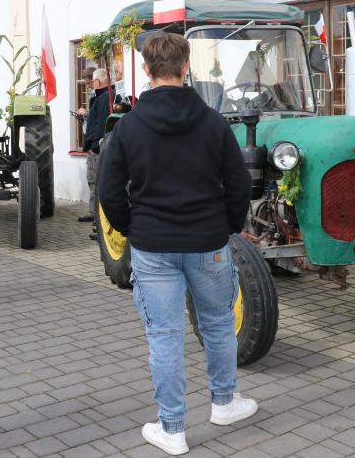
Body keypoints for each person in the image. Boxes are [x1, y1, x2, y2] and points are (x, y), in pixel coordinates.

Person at [98, 33, 255, 456]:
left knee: (164, 336)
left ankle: (172, 429)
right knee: (218, 323)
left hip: (153, 245)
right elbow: (239, 184)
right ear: (186, 68)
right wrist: (226, 226)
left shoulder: (129, 126)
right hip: (208, 241)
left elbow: (109, 191)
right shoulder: (214, 122)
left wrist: (134, 228)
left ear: (146, 70)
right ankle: (224, 403)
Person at [76, 68, 111, 227]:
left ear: (99, 81)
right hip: (93, 147)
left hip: (97, 148)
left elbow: (102, 124)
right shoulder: (100, 97)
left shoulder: (105, 97)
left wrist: (96, 145)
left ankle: (99, 218)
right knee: (92, 180)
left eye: (93, 81)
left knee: (98, 182)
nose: (91, 85)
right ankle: (94, 213)